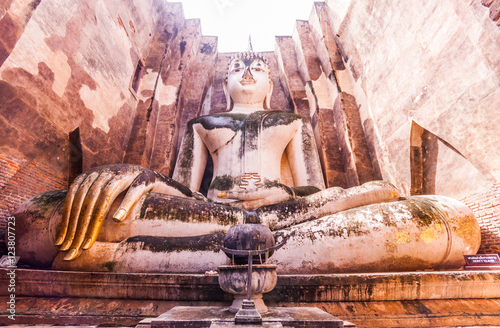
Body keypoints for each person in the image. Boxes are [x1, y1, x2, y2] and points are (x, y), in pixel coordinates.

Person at [13, 52, 480, 273]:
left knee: (447, 219)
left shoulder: (290, 121)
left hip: (290, 214)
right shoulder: (204, 121)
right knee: (34, 220)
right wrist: (142, 178)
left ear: (271, 82)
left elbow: (312, 190)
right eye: (238, 67)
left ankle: (136, 259)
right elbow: (184, 191)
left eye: (257, 67)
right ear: (225, 81)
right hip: (210, 213)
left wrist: (301, 203)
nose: (248, 72)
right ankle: (257, 249)